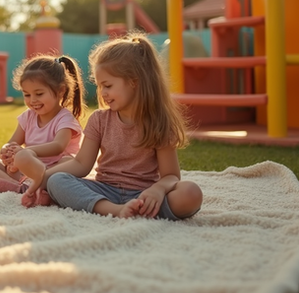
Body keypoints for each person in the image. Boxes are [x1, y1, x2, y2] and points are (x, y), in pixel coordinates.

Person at [21, 32, 203, 219]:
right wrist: (42, 180)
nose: (102, 93)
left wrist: (156, 191)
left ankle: (138, 209)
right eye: (100, 86)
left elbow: (171, 176)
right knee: (58, 181)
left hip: (144, 195)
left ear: (134, 82)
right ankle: (114, 210)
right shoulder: (99, 119)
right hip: (104, 191)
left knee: (190, 192)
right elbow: (81, 164)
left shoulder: (159, 122)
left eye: (107, 86)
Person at [0, 55, 84, 194]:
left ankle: (40, 185)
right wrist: (7, 151)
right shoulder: (28, 116)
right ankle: (18, 187)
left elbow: (58, 146)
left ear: (60, 91)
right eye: (27, 95)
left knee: (67, 162)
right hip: (26, 169)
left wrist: (27, 152)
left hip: (51, 170)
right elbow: (12, 142)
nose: (33, 100)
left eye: (39, 94)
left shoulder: (65, 118)